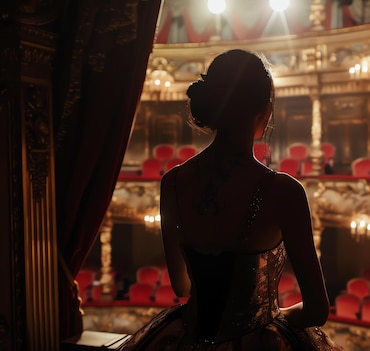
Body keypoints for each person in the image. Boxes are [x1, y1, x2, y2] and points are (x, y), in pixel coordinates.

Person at [120, 49, 343, 350]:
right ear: (264, 112)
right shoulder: (285, 191)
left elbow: (181, 285)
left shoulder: (172, 182)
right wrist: (270, 318)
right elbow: (317, 310)